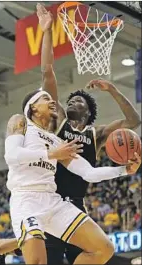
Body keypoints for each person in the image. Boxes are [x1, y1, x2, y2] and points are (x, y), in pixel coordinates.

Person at [36, 3, 141, 264]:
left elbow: (133, 120)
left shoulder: (98, 134)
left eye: (79, 101)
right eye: (70, 101)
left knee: (97, 255)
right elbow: (47, 73)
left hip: (76, 205)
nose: (72, 103)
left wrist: (113, 90)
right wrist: (47, 32)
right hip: (50, 202)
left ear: (89, 111)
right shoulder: (59, 122)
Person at [5, 86, 140, 265]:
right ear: (33, 107)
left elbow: (88, 173)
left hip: (53, 201)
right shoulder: (20, 123)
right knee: (38, 261)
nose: (52, 101)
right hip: (26, 200)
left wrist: (124, 170)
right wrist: (52, 154)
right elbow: (12, 156)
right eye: (45, 98)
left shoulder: (56, 142)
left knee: (104, 249)